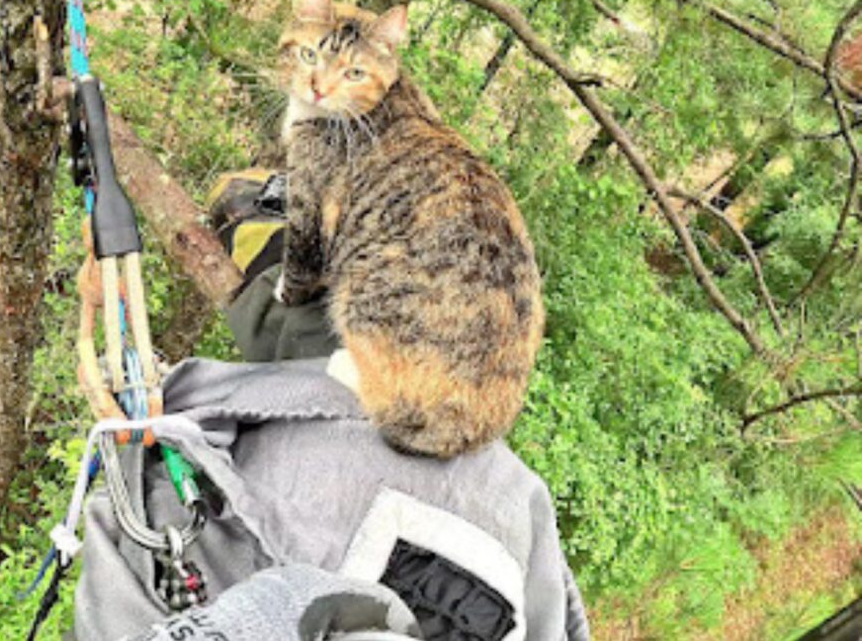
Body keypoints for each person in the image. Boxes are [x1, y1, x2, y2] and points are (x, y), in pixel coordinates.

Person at [71, 171, 590, 641]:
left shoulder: (519, 502)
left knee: (306, 336)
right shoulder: (522, 505)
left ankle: (271, 240)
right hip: (404, 423)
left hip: (324, 421)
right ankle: (282, 242)